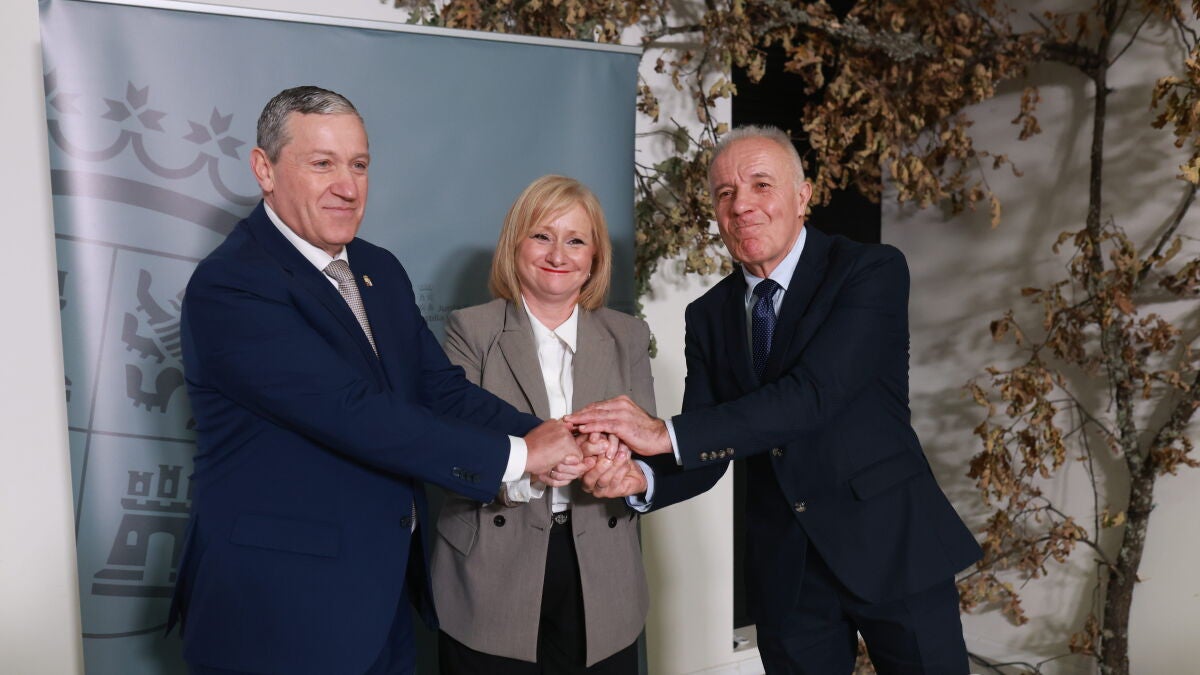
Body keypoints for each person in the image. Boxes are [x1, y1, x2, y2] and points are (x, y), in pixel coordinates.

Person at [167, 86, 580, 675]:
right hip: (277, 607)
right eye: (322, 163)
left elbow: (439, 388)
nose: (347, 186)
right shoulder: (232, 285)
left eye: (359, 165)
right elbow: (354, 412)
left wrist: (553, 434)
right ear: (264, 169)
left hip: (380, 597)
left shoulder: (377, 268)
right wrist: (519, 456)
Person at [567, 126, 983, 674]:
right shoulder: (708, 315)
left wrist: (660, 433)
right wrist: (640, 478)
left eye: (761, 185)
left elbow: (814, 395)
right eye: (725, 193)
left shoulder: (869, 270)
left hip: (891, 544)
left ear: (802, 195)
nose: (741, 205)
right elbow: (709, 441)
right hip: (787, 570)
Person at [431, 175, 652, 674]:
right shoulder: (471, 330)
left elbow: (645, 449)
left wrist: (615, 467)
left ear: (594, 258)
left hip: (602, 569)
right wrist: (530, 470)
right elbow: (451, 455)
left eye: (575, 241)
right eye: (541, 236)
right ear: (516, 245)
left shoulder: (629, 336)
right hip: (491, 569)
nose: (558, 254)